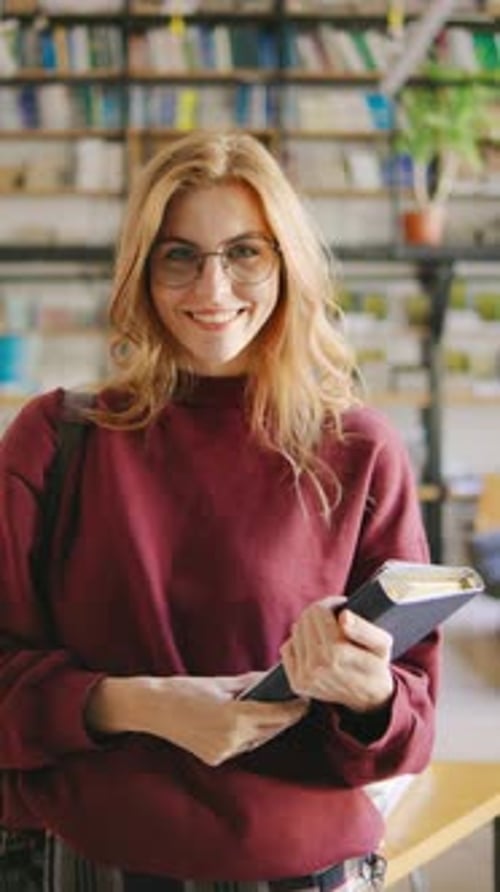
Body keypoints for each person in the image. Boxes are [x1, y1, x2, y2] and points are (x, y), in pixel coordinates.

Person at [0, 130, 439, 892]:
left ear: (286, 262)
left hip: (313, 871)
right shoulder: (55, 437)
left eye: (245, 253)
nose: (212, 289)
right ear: (141, 269)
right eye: (179, 255)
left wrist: (366, 693)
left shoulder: (360, 448)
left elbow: (413, 728)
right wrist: (135, 705)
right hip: (95, 866)